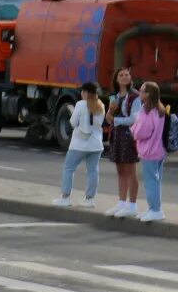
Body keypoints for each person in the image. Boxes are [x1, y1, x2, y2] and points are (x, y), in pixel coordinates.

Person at [57, 82, 105, 208]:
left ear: (85, 93)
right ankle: (89, 199)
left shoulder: (80, 104)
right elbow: (99, 123)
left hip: (79, 144)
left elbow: (72, 123)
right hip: (96, 144)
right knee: (93, 171)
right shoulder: (101, 106)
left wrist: (71, 112)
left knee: (69, 168)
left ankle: (65, 197)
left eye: (83, 91)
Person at [108, 70, 143, 218]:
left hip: (129, 136)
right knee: (120, 170)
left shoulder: (135, 96)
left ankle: (132, 205)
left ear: (131, 78)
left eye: (127, 75)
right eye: (121, 75)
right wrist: (111, 112)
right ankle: (121, 203)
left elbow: (134, 119)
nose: (124, 77)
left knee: (130, 171)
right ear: (116, 79)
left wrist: (116, 120)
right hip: (117, 135)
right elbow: (108, 117)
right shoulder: (114, 96)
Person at [132, 82, 167, 223]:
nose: (139, 93)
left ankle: (155, 210)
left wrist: (133, 131)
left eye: (142, 91)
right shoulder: (159, 109)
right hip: (158, 150)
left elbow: (142, 131)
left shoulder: (148, 111)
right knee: (156, 181)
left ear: (148, 94)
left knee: (150, 182)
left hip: (149, 151)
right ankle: (154, 208)